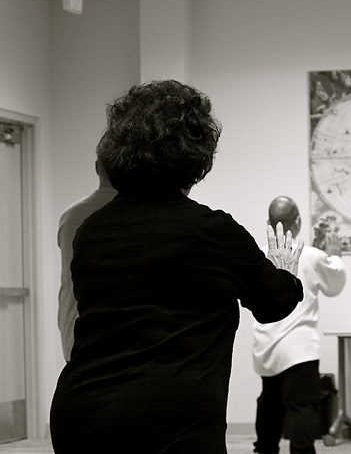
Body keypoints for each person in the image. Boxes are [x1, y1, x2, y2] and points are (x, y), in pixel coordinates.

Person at [50, 80, 304, 454]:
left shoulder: (92, 230)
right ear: (197, 154)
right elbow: (273, 303)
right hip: (171, 421)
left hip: (80, 413)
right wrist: (285, 269)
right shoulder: (210, 231)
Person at [252, 196, 346, 454]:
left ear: (268, 223)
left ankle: (264, 450)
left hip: (266, 346)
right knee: (303, 406)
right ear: (299, 222)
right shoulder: (312, 256)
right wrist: (336, 257)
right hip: (300, 348)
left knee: (269, 404)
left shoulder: (257, 256)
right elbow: (334, 286)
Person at [57, 156, 117, 362]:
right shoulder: (136, 213)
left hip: (75, 330)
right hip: (118, 339)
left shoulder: (72, 215)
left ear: (96, 167)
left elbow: (68, 281)